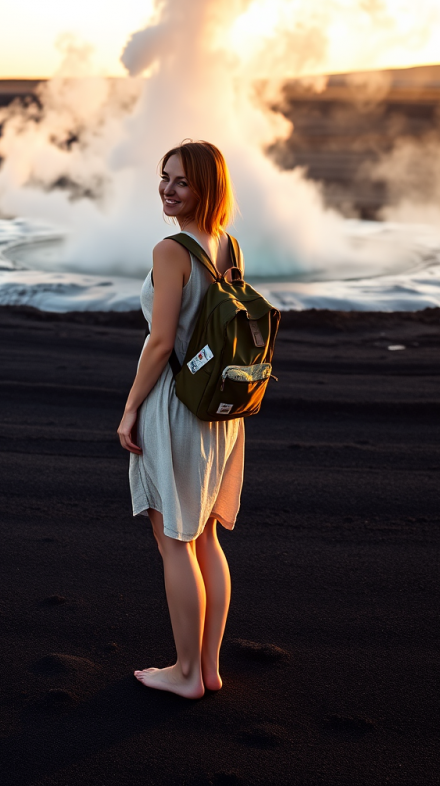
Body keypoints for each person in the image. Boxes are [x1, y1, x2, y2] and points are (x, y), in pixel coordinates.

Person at [117, 140, 245, 699]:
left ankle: (187, 673)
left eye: (182, 182)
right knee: (206, 540)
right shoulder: (228, 246)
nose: (168, 189)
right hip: (222, 411)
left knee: (175, 540)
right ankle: (209, 668)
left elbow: (161, 340)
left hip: (176, 405)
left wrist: (129, 408)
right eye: (164, 177)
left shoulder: (171, 250)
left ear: (206, 189)